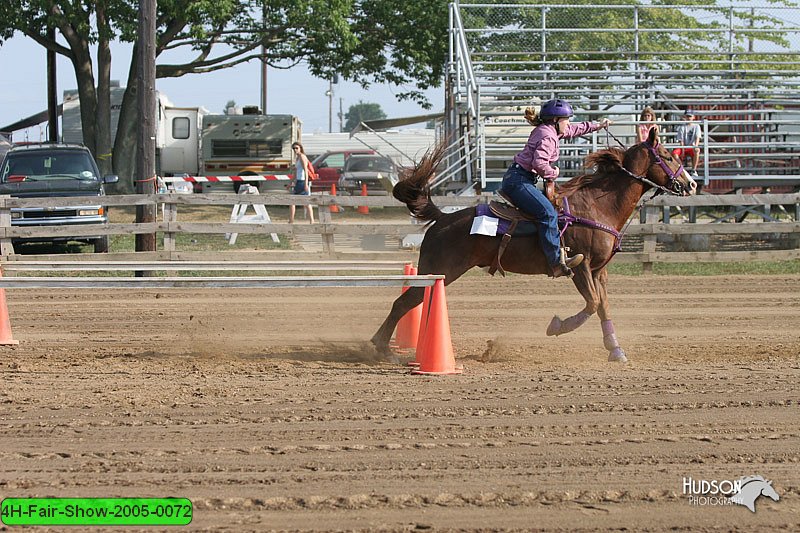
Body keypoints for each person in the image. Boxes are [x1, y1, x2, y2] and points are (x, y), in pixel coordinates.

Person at [500, 98, 611, 278]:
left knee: (552, 211)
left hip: (520, 178)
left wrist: (598, 125)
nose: (568, 123)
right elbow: (539, 163)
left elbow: (576, 129)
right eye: (566, 119)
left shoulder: (550, 130)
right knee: (548, 213)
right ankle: (555, 261)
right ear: (555, 120)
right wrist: (553, 173)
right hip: (519, 181)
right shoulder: (548, 136)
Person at [289, 142, 315, 224]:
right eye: (293, 148)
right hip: (298, 181)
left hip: (303, 181)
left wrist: (306, 184)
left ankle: (311, 220)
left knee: (305, 202)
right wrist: (291, 182)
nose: (295, 150)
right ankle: (291, 220)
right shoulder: (297, 158)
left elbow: (306, 171)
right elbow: (296, 173)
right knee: (296, 202)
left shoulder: (303, 157)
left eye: (297, 148)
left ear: (300, 148)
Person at [672, 109, 701, 177]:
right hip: (683, 147)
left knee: (697, 150)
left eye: (690, 116)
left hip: (692, 147)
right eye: (687, 116)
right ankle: (682, 170)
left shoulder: (696, 126)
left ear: (693, 117)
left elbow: (697, 138)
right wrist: (682, 151)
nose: (688, 118)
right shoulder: (682, 127)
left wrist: (695, 146)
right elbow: (681, 140)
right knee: (674, 154)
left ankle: (693, 170)